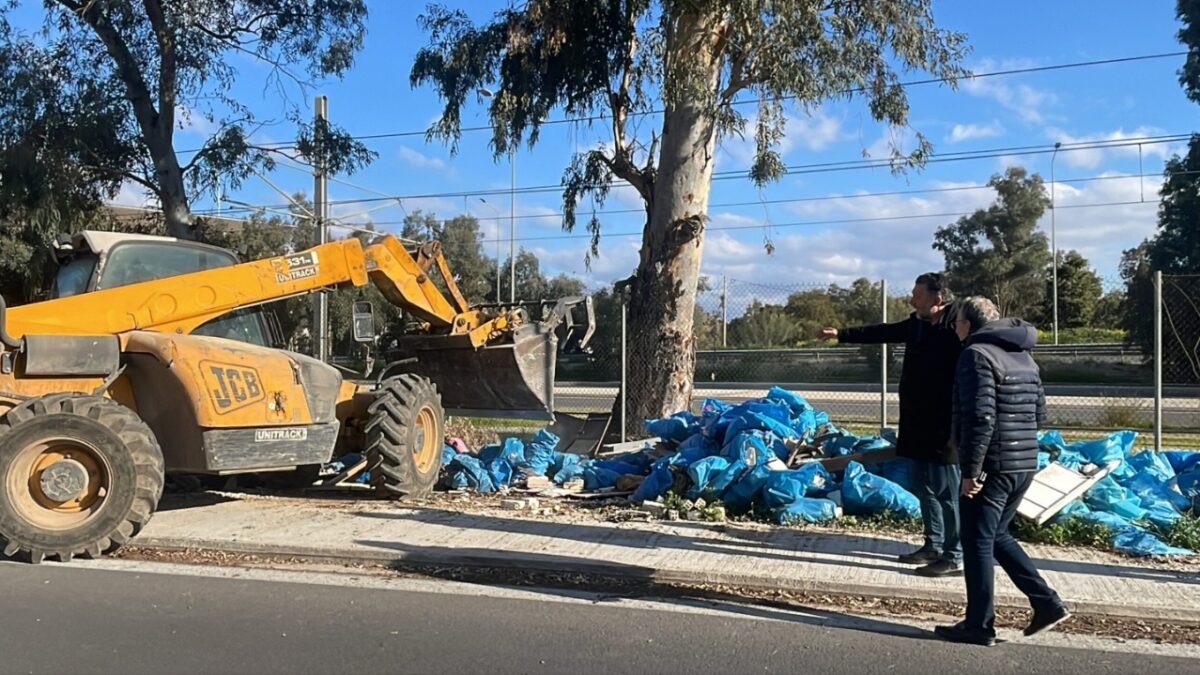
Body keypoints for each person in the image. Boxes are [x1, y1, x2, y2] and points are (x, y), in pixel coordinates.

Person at [935, 297, 1070, 647]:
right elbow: (1039, 414)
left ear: (971, 324)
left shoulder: (975, 355)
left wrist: (971, 471)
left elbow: (981, 417)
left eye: (958, 321)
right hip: (1024, 461)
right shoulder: (1023, 355)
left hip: (992, 464)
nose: (954, 327)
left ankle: (978, 625)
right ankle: (1046, 603)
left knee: (977, 541)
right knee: (996, 536)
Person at [819, 273, 963, 577]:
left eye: (918, 295)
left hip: (944, 428)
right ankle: (932, 546)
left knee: (947, 492)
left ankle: (955, 554)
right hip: (915, 424)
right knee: (922, 486)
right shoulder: (916, 326)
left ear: (937, 300)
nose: (912, 300)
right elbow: (881, 332)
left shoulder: (957, 330)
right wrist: (841, 334)